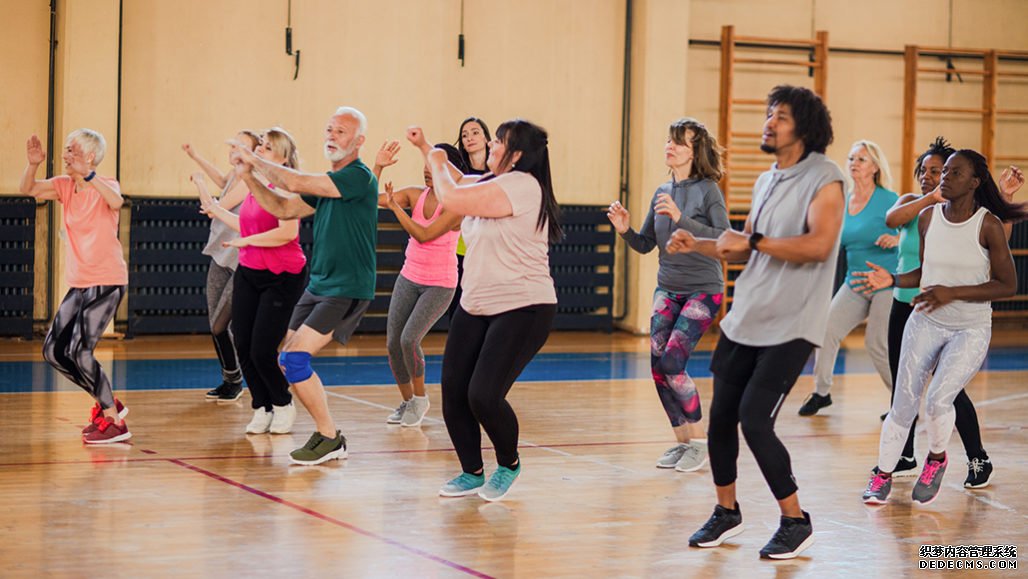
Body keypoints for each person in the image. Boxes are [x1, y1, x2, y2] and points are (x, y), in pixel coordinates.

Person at [666, 85, 844, 559]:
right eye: (768, 113)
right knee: (721, 417)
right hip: (746, 316)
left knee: (754, 420)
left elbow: (819, 245)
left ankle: (794, 519)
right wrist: (700, 244)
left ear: (804, 127)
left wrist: (755, 241)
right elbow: (747, 242)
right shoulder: (767, 178)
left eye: (780, 116)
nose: (768, 122)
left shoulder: (825, 176)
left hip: (793, 322)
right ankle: (726, 512)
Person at [857, 149, 1025, 505]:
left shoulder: (988, 224)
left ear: (975, 182)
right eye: (943, 172)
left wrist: (954, 293)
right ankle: (882, 474)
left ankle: (936, 459)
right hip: (926, 321)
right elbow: (923, 273)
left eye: (954, 173)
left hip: (970, 328)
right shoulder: (928, 218)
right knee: (902, 402)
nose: (944, 178)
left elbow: (1007, 285)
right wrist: (891, 279)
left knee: (937, 401)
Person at [228, 107, 378, 466]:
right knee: (285, 360)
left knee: (295, 358)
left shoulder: (358, 177)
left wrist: (252, 157)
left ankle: (329, 437)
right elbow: (282, 207)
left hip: (347, 286)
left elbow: (293, 182)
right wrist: (247, 176)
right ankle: (326, 435)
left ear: (358, 142)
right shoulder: (327, 183)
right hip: (320, 283)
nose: (331, 136)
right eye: (329, 129)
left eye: (340, 132)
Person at [429, 119, 561, 502]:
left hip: (524, 306)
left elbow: (450, 196)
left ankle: (509, 463)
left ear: (516, 155)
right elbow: (459, 180)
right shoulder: (489, 182)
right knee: (454, 392)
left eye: (498, 141)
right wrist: (427, 149)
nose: (489, 143)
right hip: (476, 303)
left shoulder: (522, 185)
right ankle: (471, 471)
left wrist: (436, 161)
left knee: (483, 395)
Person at [606, 117, 729, 472]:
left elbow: (723, 239)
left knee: (673, 364)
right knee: (658, 369)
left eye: (679, 142)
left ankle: (701, 442)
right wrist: (625, 230)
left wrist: (682, 219)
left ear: (695, 152)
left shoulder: (708, 190)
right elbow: (646, 245)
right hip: (668, 288)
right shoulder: (661, 192)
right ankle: (683, 442)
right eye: (669, 140)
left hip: (703, 290)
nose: (670, 146)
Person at [20, 130, 130, 443]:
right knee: (54, 351)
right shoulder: (64, 186)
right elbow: (28, 188)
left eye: (73, 150)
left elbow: (116, 201)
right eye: (66, 149)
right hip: (80, 283)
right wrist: (32, 164)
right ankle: (108, 403)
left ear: (90, 157)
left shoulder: (105, 183)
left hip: (107, 281)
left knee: (81, 352)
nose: (66, 155)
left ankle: (114, 422)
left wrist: (90, 175)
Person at [196, 128, 307, 435]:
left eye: (269, 148)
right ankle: (262, 406)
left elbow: (287, 234)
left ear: (283, 158)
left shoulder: (287, 190)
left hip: (282, 276)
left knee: (262, 348)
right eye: (261, 146)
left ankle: (282, 402)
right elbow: (244, 223)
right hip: (250, 271)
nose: (261, 150)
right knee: (243, 343)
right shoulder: (254, 185)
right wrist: (217, 211)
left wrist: (246, 241)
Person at [799, 140, 898, 416]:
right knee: (825, 331)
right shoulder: (842, 201)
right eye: (852, 158)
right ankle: (821, 392)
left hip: (886, 282)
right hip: (855, 283)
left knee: (876, 342)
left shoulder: (889, 200)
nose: (854, 163)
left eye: (862, 160)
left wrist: (897, 237)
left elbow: (916, 233)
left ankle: (902, 402)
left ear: (875, 167)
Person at [377, 132, 462, 427]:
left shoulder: (456, 206)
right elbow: (372, 200)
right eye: (425, 162)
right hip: (409, 277)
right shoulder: (415, 193)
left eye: (434, 164)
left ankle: (421, 399)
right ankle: (407, 402)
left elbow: (423, 234)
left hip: (440, 284)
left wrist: (396, 207)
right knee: (392, 344)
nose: (427, 168)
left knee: (409, 339)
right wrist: (378, 168)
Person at [182, 130, 260, 402]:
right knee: (215, 322)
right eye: (234, 143)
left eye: (241, 145)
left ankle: (241, 380)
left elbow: (212, 207)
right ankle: (231, 380)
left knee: (223, 325)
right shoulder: (236, 176)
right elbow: (222, 179)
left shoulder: (250, 181)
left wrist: (199, 183)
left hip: (240, 261)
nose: (234, 148)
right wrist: (196, 157)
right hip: (220, 256)